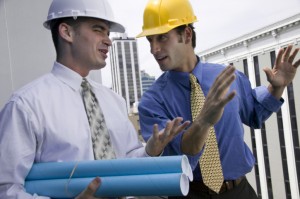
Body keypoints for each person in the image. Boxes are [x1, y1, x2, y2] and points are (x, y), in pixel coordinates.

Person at [0, 0, 191, 198]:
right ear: (67, 32)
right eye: (99, 30)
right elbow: (6, 189)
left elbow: (125, 161)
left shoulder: (114, 101)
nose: (108, 40)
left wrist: (150, 151)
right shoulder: (26, 105)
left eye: (108, 33)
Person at [136, 0, 300, 198]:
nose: (154, 49)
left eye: (162, 38)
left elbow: (255, 112)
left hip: (240, 191)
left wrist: (276, 88)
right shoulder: (151, 102)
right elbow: (185, 153)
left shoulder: (227, 76)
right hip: (190, 194)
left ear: (186, 34)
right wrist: (204, 120)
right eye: (150, 40)